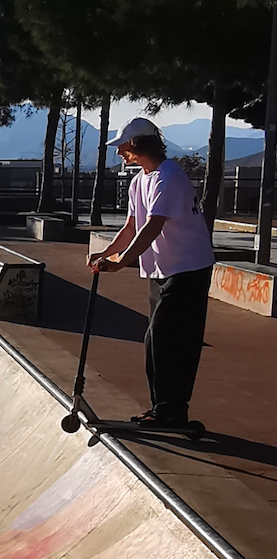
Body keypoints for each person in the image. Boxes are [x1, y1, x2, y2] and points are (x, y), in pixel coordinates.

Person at [88, 117, 216, 427]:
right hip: (163, 270)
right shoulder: (139, 181)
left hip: (188, 268)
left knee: (169, 338)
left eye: (122, 147)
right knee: (154, 340)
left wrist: (121, 262)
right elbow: (132, 225)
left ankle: (171, 409)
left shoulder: (168, 176)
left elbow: (152, 226)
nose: (120, 153)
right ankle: (163, 408)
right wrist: (106, 253)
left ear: (135, 144)